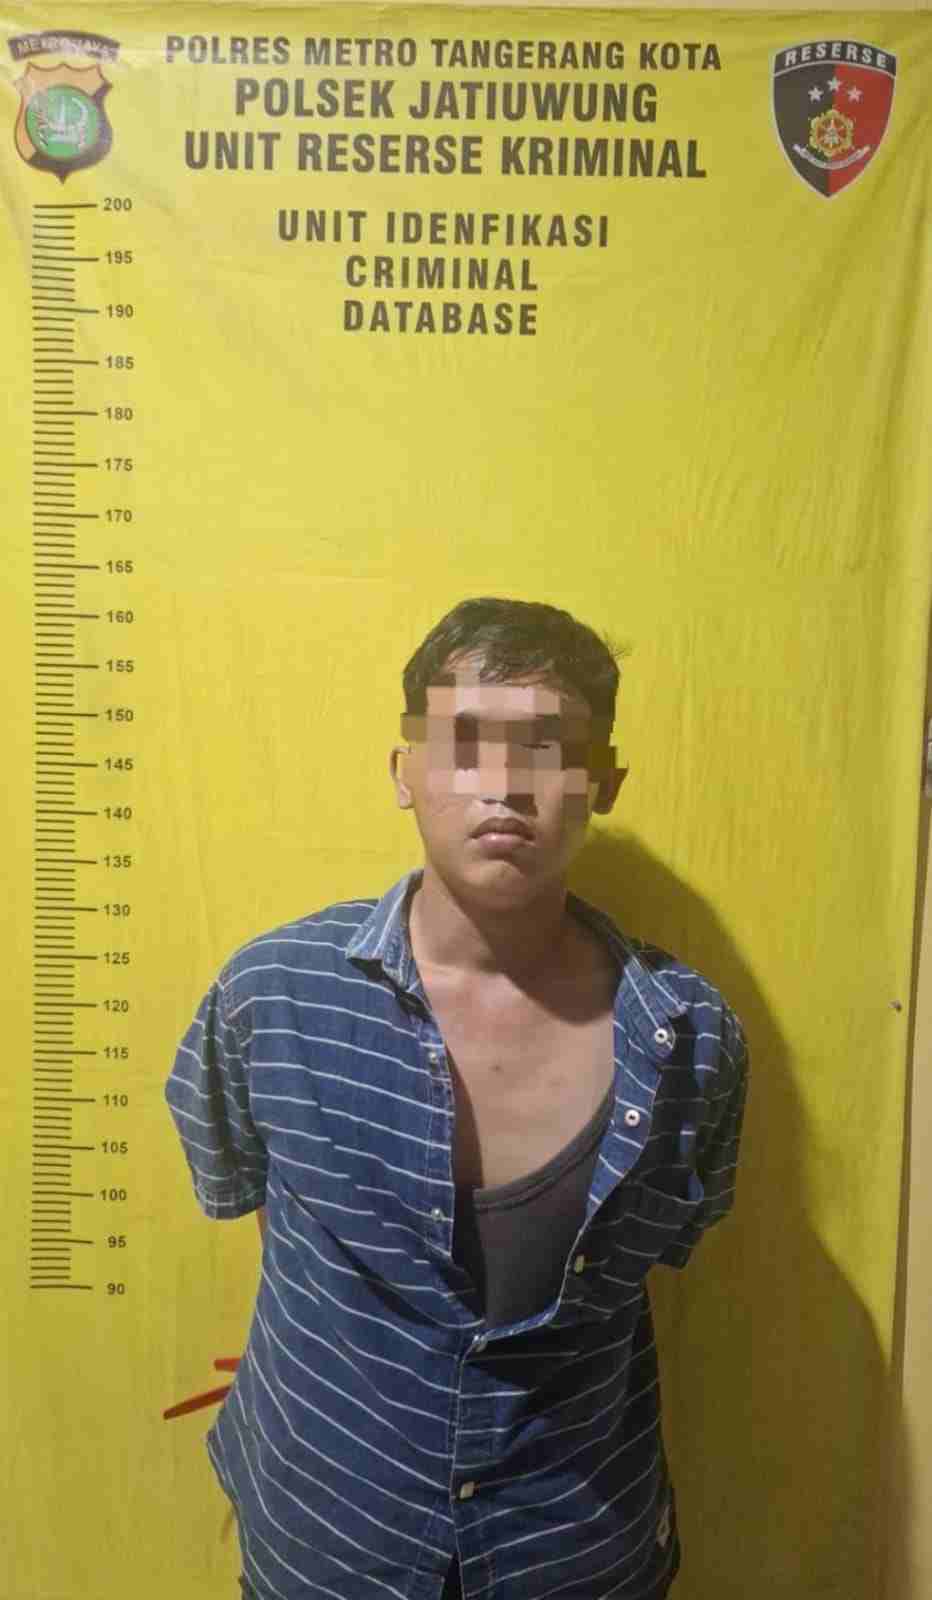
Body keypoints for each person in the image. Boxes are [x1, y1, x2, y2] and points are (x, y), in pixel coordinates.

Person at [165, 596, 749, 1600]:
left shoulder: (691, 1041)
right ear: (403, 771)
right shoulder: (272, 997)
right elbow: (268, 1223)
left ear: (603, 783)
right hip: (327, 1532)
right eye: (463, 742)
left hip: (571, 1546)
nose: (505, 785)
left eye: (547, 748)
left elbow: (670, 1247)